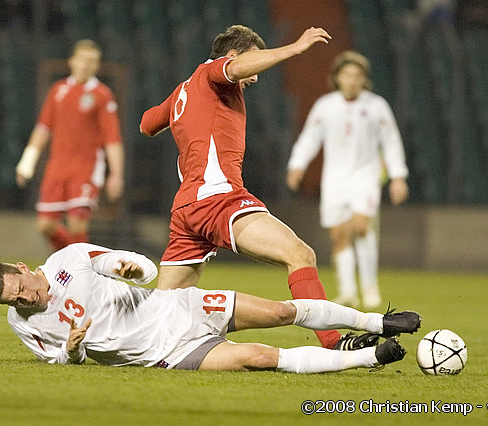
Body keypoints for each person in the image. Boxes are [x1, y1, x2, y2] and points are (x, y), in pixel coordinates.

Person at [140, 25, 376, 350]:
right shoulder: (212, 73)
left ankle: (103, 337)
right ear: (232, 55)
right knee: (300, 254)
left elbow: (147, 123)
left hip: (186, 209)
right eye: (255, 63)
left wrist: (185, 112)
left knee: (161, 311)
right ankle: (334, 345)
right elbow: (235, 68)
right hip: (217, 198)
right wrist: (294, 48)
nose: (255, 77)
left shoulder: (186, 88)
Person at [0, 243, 422, 372]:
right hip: (167, 352)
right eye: (14, 300)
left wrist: (133, 269)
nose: (24, 299)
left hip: (180, 307)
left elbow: (140, 269)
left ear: (23, 268)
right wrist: (74, 349)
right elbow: (59, 360)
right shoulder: (22, 322)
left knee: (280, 313)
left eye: (21, 288)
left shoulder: (69, 258)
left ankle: (378, 321)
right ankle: (370, 356)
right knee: (260, 358)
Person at [286, 51, 409, 310]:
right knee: (339, 236)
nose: (352, 80)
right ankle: (348, 292)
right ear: (337, 77)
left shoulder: (376, 106)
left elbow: (391, 141)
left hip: (366, 176)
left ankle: (370, 287)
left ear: (364, 79)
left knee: (361, 227)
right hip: (334, 180)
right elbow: (310, 138)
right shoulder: (326, 106)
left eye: (357, 75)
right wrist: (297, 165)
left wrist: (398, 176)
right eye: (347, 74)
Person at [16, 39, 124, 251]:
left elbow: (112, 139)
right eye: (83, 59)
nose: (86, 65)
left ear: (97, 65)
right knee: (45, 226)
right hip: (57, 168)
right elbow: (42, 129)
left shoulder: (102, 95)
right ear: (72, 61)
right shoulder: (58, 90)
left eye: (92, 61)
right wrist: (26, 163)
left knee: (76, 224)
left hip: (86, 168)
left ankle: (76, 267)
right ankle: (70, 259)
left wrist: (116, 175)